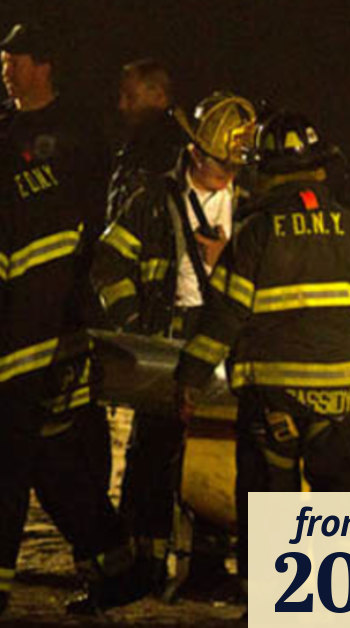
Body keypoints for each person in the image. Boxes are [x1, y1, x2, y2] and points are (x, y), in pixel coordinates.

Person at [173, 110, 350, 583]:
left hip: (277, 400)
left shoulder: (255, 235)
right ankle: (345, 594)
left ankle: (275, 595)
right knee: (346, 501)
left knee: (269, 499)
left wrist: (189, 379)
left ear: (265, 171)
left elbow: (222, 320)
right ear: (320, 168)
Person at [0, 22, 147, 615]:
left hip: (50, 327)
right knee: (50, 461)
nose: (5, 71)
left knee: (14, 458)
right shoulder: (6, 133)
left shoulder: (79, 133)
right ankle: (118, 566)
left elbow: (90, 229)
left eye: (15, 61)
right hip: (20, 325)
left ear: (44, 66)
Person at [90, 91, 255, 591]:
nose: (228, 174)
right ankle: (143, 563)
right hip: (168, 334)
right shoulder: (153, 200)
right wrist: (134, 324)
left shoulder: (252, 205)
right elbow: (109, 263)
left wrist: (226, 259)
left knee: (221, 449)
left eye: (235, 165)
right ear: (195, 151)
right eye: (221, 164)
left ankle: (207, 568)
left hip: (226, 335)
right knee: (153, 453)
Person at [107, 58, 186, 222]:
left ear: (159, 96)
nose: (122, 105)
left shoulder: (170, 151)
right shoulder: (135, 144)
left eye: (131, 97)